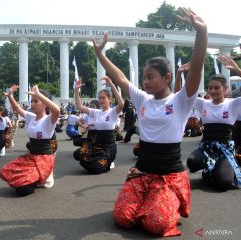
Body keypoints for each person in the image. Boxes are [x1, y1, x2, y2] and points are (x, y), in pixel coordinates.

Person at [93, 7, 208, 237]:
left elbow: (196, 67)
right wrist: (100, 54)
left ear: (167, 78)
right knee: (123, 218)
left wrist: (201, 33)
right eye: (144, 77)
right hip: (143, 173)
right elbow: (121, 77)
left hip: (169, 176)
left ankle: (167, 201)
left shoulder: (181, 100)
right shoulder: (142, 99)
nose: (145, 82)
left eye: (150, 77)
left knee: (155, 224)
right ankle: (148, 200)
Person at [187, 56, 241, 190]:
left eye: (217, 88)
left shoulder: (233, 104)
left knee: (223, 183)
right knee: (192, 162)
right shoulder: (203, 103)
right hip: (206, 147)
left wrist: (237, 70)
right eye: (210, 88)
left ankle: (223, 167)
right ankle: (210, 167)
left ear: (225, 89)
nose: (212, 91)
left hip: (225, 149)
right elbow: (183, 94)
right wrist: (184, 74)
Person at [0, 84, 60, 196]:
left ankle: (46, 174)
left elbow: (57, 110)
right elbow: (17, 108)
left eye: (36, 101)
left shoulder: (48, 120)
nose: (32, 104)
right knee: (5, 171)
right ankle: (38, 177)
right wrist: (10, 96)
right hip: (32, 157)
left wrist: (39, 94)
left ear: (44, 103)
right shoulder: (31, 117)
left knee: (23, 190)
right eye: (31, 101)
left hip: (44, 159)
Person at [73, 76, 124, 174]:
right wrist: (76, 89)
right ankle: (99, 159)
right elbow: (79, 106)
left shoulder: (113, 112)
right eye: (99, 98)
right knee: (77, 155)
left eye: (103, 98)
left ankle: (109, 160)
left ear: (110, 99)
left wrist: (112, 85)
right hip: (95, 145)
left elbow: (121, 103)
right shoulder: (96, 112)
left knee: (95, 167)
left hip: (108, 147)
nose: (101, 100)